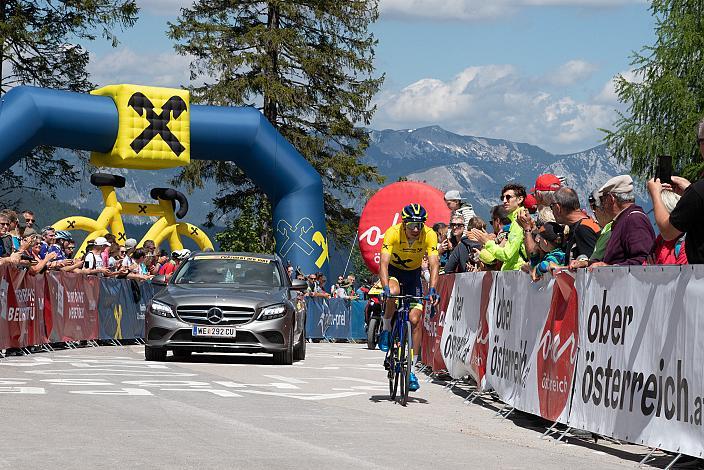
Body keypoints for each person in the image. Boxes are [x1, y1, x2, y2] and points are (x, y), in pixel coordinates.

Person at [378, 203, 440, 393]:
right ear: (404, 223)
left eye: (419, 225)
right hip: (395, 272)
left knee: (415, 319)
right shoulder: (393, 233)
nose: (415, 229)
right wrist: (386, 287)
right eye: (412, 224)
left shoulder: (429, 234)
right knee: (394, 292)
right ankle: (387, 327)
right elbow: (384, 263)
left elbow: (434, 264)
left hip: (413, 275)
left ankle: (411, 370)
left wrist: (432, 289)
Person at [647, 119, 704, 264]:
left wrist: (655, 194)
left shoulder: (699, 191)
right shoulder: (696, 191)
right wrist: (691, 190)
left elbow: (667, 231)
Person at [592, 175, 655, 267]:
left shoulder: (634, 219)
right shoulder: (623, 220)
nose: (602, 206)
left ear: (610, 199)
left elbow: (642, 260)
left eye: (602, 200)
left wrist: (609, 268)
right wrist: (588, 264)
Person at [471, 183, 528, 271]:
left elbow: (506, 254)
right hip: (513, 272)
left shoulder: (519, 221)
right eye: (503, 198)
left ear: (520, 199)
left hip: (517, 272)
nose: (504, 201)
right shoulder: (515, 220)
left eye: (508, 197)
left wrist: (487, 242)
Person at [551, 187, 600, 264]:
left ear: (558, 208)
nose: (552, 211)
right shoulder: (583, 225)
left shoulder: (583, 229)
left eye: (551, 206)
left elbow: (593, 265)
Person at [646, 190, 687, 265]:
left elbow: (684, 275)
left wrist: (655, 274)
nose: (656, 217)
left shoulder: (686, 243)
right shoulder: (661, 239)